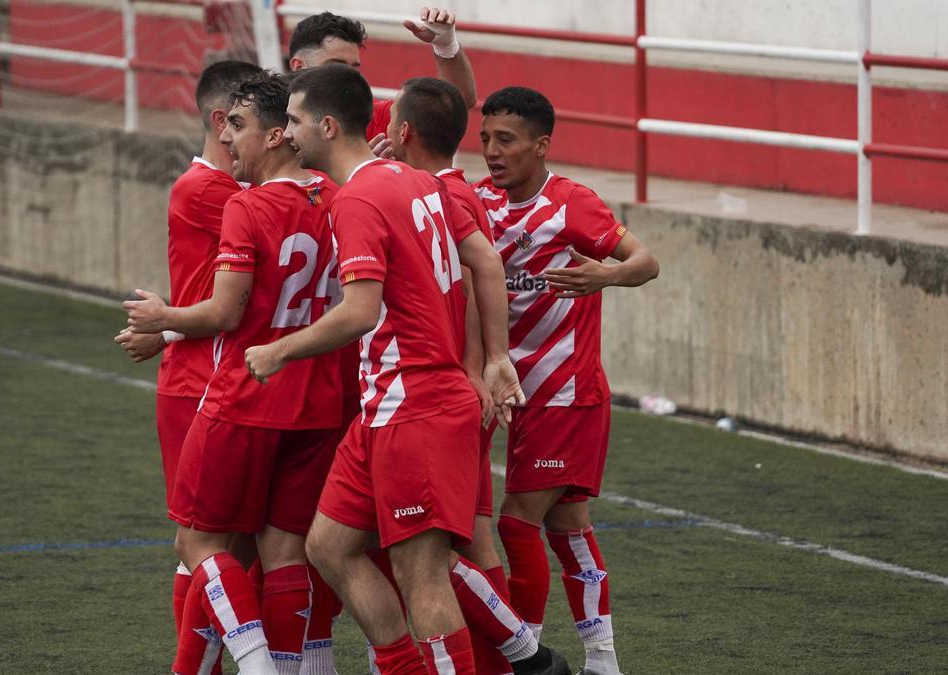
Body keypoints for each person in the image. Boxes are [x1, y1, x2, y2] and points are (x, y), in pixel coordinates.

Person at [244, 64, 567, 675]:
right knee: (329, 547)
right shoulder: (412, 179)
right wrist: (495, 358)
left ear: (328, 125)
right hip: (392, 406)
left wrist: (280, 350)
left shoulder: (360, 198)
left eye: (293, 121)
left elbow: (361, 312)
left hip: (414, 404)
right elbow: (487, 263)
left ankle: (519, 658)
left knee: (425, 576)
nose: (286, 133)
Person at [125, 71, 343, 675]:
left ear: (278, 135)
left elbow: (227, 310)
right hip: (320, 400)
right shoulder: (336, 194)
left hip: (245, 395)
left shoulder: (246, 204)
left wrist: (163, 317)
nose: (231, 141)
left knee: (197, 543)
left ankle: (257, 666)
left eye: (241, 128)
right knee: (283, 550)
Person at [476, 87, 660, 675]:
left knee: (514, 520)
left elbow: (646, 262)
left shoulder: (572, 204)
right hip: (508, 386)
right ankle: (603, 660)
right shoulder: (478, 200)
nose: (491, 151)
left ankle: (521, 656)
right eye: (485, 138)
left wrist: (602, 276)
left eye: (506, 140)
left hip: (564, 392)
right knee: (567, 525)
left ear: (541, 145)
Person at [114, 58, 261, 673]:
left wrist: (167, 323)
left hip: (230, 374)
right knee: (200, 542)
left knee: (246, 542)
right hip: (198, 383)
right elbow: (231, 303)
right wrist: (172, 325)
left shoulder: (243, 192)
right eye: (261, 121)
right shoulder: (208, 191)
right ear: (223, 121)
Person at [286, 8, 476, 152]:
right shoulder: (267, 124)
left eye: (354, 68)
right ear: (298, 67)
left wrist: (446, 46)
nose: (348, 76)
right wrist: (361, 173)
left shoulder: (376, 118)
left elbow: (454, 104)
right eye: (336, 65)